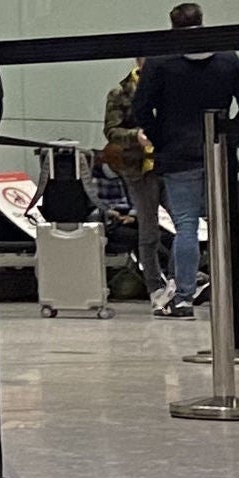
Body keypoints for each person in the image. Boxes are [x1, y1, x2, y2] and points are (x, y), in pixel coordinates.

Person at [127, 4, 239, 319]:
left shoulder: (161, 60)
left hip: (178, 155)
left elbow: (140, 109)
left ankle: (184, 297)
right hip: (220, 152)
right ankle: (232, 294)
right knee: (223, 225)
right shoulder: (228, 57)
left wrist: (161, 139)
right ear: (203, 23)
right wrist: (231, 137)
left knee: (186, 226)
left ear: (172, 27)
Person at [101, 64, 165, 302]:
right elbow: (111, 130)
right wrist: (135, 135)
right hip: (137, 168)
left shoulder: (168, 84)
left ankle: (181, 281)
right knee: (148, 229)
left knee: (186, 224)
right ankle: (155, 287)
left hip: (168, 163)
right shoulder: (120, 92)